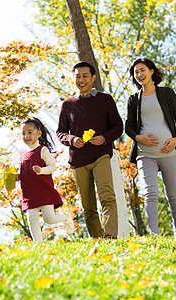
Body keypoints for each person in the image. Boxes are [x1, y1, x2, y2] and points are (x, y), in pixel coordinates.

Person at [56, 61, 123, 239]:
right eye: (77, 76)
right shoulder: (67, 104)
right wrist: (72, 139)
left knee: (107, 197)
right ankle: (97, 240)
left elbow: (118, 127)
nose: (81, 79)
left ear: (93, 78)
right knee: (88, 206)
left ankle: (110, 238)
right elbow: (61, 133)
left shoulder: (105, 99)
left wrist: (103, 138)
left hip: (100, 155)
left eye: (85, 76)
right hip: (78, 160)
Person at [125, 58, 176, 237]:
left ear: (152, 71)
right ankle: (154, 234)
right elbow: (128, 126)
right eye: (136, 72)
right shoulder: (133, 99)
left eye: (142, 70)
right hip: (145, 154)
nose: (139, 75)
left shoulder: (167, 93)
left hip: (169, 151)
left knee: (173, 195)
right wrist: (138, 137)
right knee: (150, 192)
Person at [18, 117, 75, 242]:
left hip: (43, 189)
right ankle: (38, 244)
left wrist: (41, 170)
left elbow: (52, 167)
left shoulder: (42, 149)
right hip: (29, 192)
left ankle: (66, 217)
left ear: (39, 133)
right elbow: (25, 172)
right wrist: (18, 176)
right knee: (31, 219)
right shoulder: (22, 154)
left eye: (30, 132)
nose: (26, 136)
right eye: (23, 133)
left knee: (49, 218)